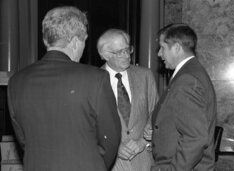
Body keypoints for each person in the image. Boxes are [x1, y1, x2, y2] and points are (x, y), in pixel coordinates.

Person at [7, 6, 121, 171]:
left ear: (46, 40)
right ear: (75, 42)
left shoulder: (17, 81)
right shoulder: (95, 78)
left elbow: (23, 140)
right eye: (84, 41)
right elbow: (110, 138)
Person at [151, 23, 217, 171]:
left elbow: (195, 138)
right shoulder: (192, 72)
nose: (159, 54)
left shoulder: (187, 79)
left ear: (176, 48)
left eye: (162, 48)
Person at [97, 28, 159, 171]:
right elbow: (90, 124)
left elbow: (156, 112)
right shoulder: (93, 81)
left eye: (127, 49)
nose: (126, 55)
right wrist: (115, 146)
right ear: (105, 55)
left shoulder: (145, 76)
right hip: (111, 163)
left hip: (143, 161)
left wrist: (143, 141)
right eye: (120, 52)